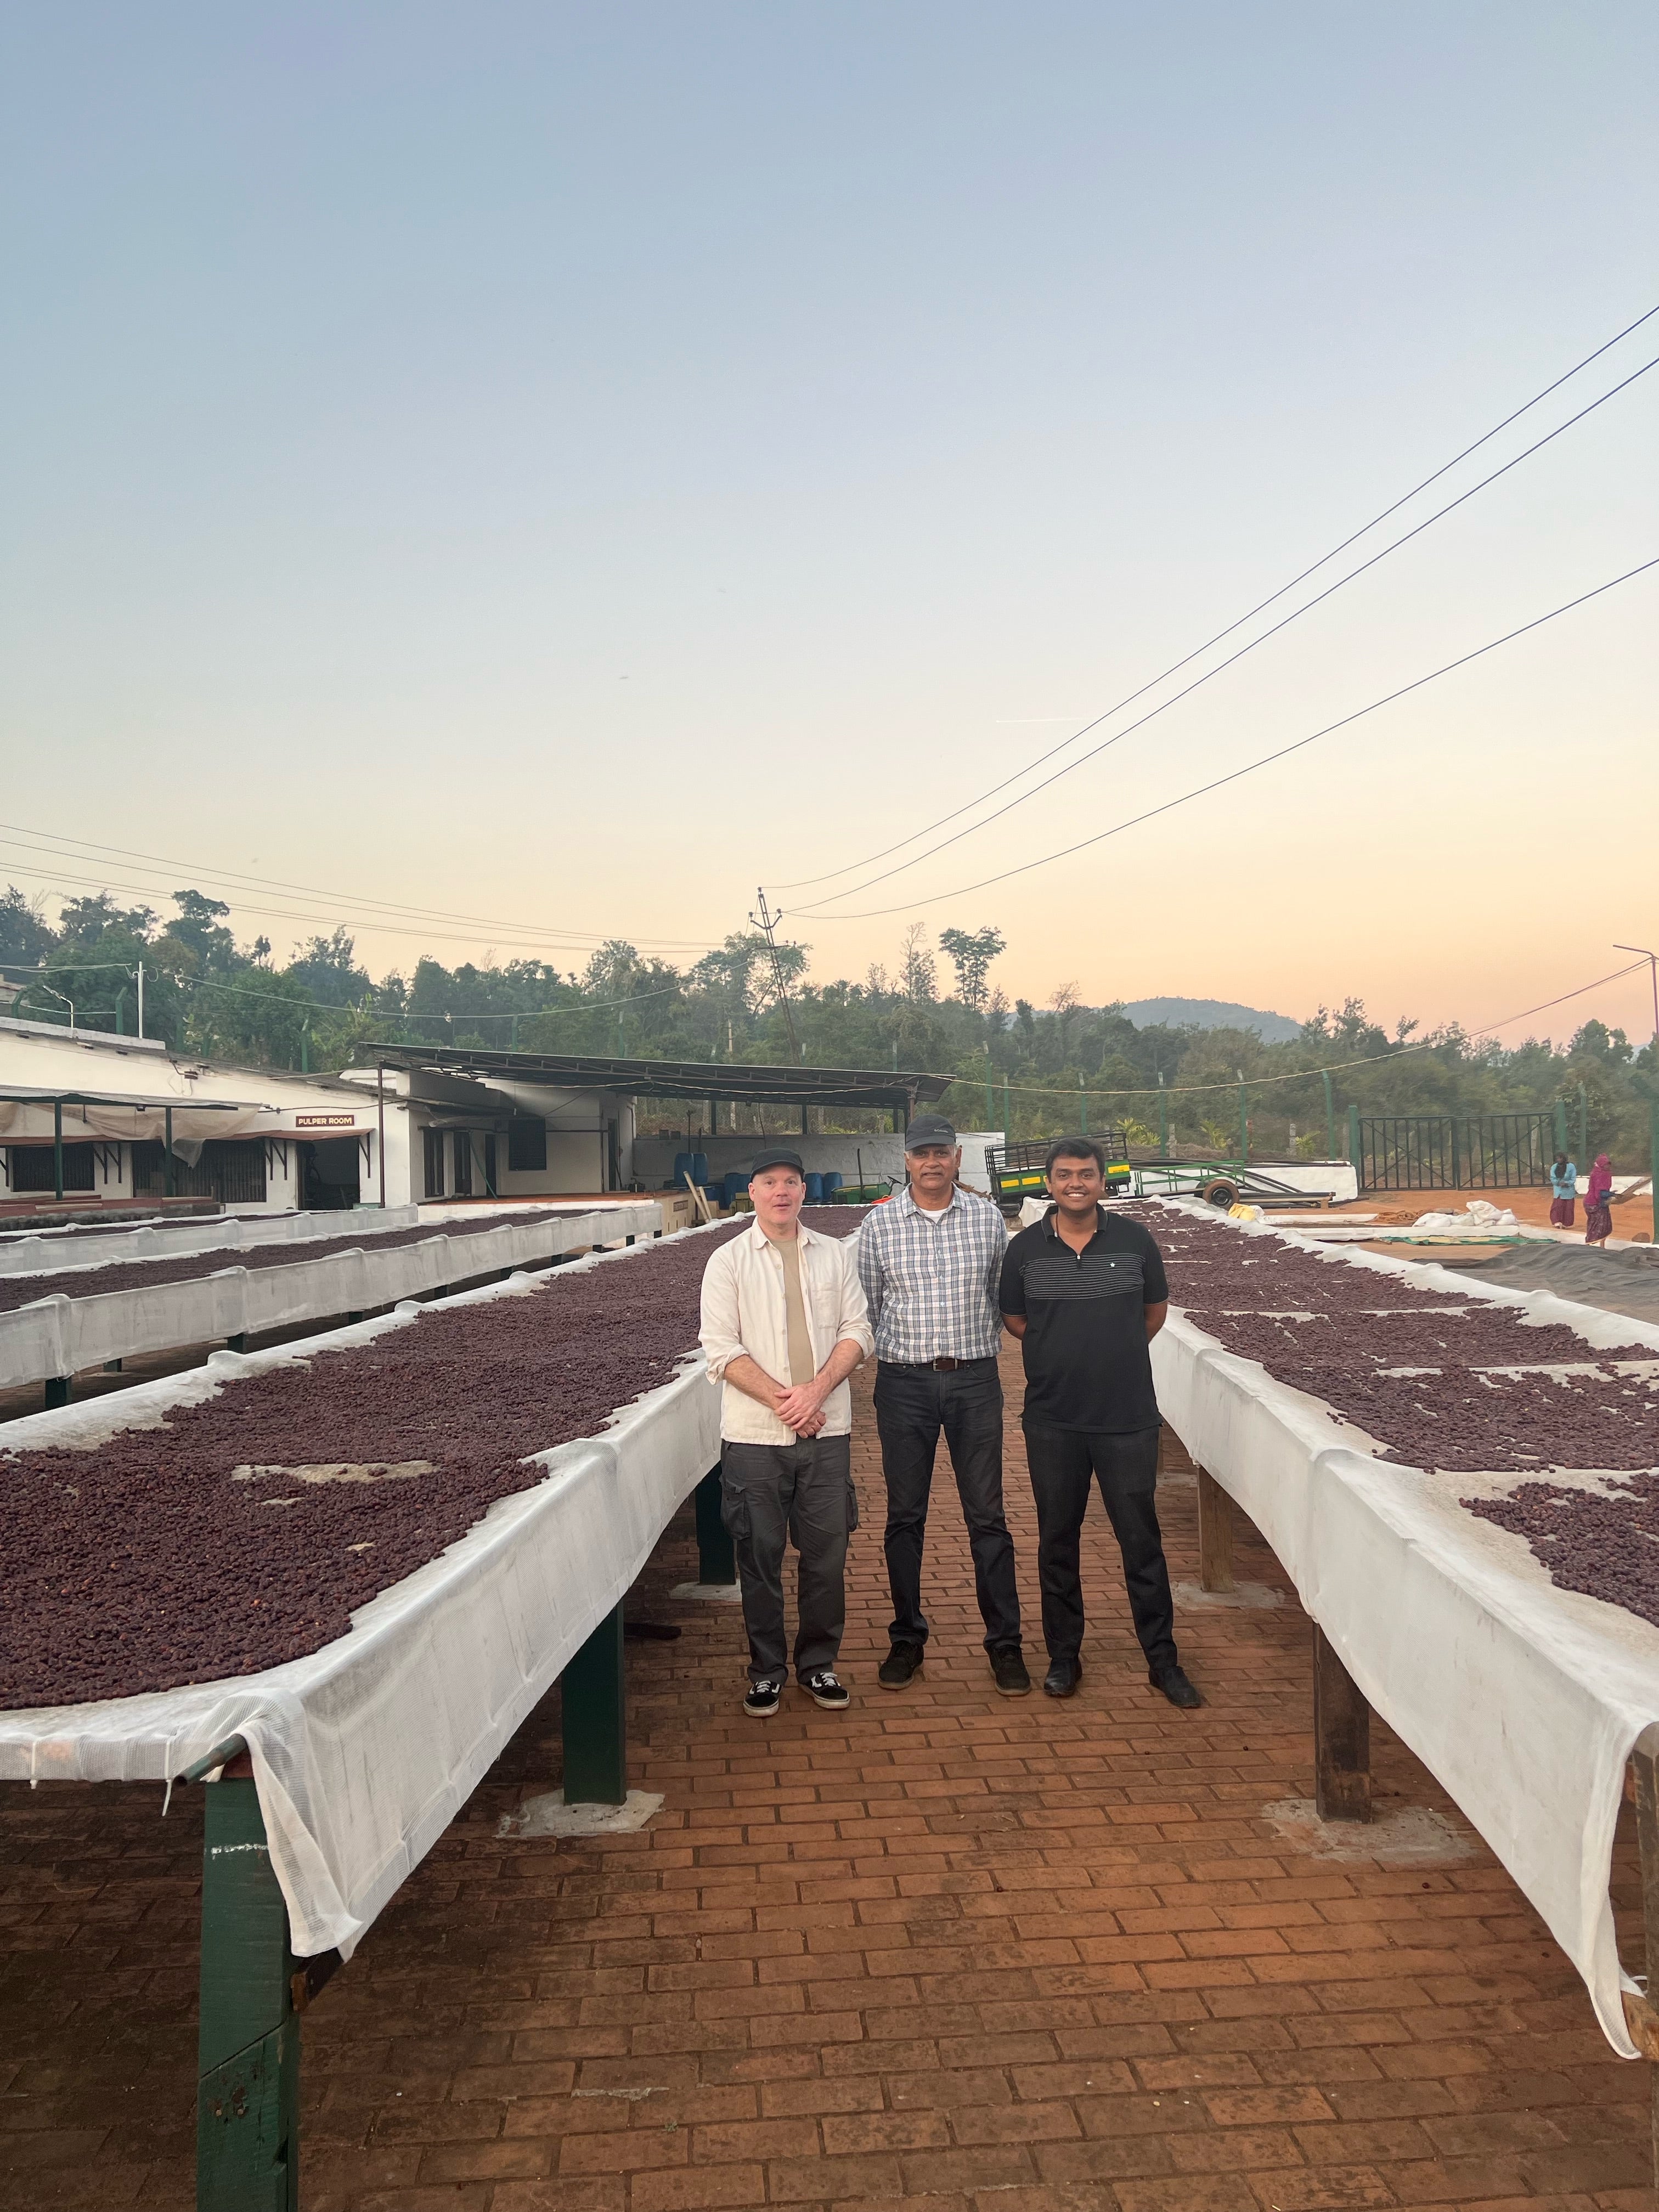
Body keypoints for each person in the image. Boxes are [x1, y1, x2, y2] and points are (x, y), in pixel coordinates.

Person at [999, 1136, 1201, 1710]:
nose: (1075, 1184)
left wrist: (1112, 1350)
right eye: (1064, 1175)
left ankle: (1163, 1662)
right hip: (1053, 1420)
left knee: (1141, 1542)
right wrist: (1062, 1348)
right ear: (1049, 1184)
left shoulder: (1135, 1241)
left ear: (1103, 1181)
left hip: (1128, 1419)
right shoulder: (1026, 1251)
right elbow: (1015, 1318)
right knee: (1057, 1543)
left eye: (1086, 1174)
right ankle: (1064, 1658)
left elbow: (1154, 1312)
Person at [856, 1113, 1029, 1695]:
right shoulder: (878, 1225)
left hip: (975, 1383)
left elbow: (1004, 1297)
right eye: (921, 1153)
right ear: (906, 1160)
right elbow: (868, 1308)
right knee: (905, 1516)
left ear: (958, 1159)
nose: (932, 1162)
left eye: (942, 1152)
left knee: (988, 1516)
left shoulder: (987, 1221)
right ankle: (906, 1638)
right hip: (903, 1386)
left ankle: (1005, 1645)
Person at [699, 1148, 873, 1717]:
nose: (782, 1191)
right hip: (755, 1437)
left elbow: (857, 1329)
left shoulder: (834, 1256)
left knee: (825, 1557)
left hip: (827, 1433)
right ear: (750, 1191)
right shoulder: (727, 1261)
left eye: (792, 1182)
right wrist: (791, 1402)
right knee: (760, 1556)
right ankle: (767, 1671)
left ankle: (819, 1665)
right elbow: (722, 1349)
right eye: (770, 1182)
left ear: (804, 1191)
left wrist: (816, 1391)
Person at [1584, 1152, 1614, 1247]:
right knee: (1599, 1225)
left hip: (1599, 1202)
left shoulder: (1605, 1174)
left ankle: (1601, 1246)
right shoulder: (1598, 1175)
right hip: (1594, 1203)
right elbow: (1599, 1192)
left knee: (1602, 1225)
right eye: (1606, 1164)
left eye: (1609, 1164)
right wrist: (1613, 1195)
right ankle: (1590, 1244)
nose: (1608, 1166)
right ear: (1601, 1165)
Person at [1549, 1152, 1578, 1229]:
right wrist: (1558, 1183)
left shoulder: (1571, 1167)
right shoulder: (1554, 1167)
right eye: (1557, 1158)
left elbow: (1573, 1179)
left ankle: (1566, 1224)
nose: (1559, 1160)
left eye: (1561, 1158)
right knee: (1557, 1207)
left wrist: (1567, 1183)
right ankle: (1557, 1222)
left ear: (1564, 1158)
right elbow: (1553, 1178)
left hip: (1569, 1191)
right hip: (1559, 1191)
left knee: (1568, 1208)